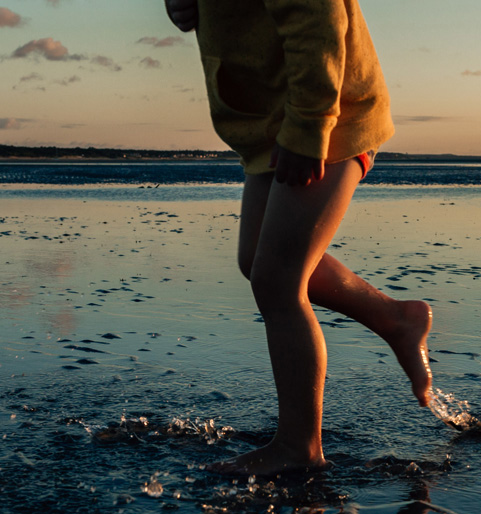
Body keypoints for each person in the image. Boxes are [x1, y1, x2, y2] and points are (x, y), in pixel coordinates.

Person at [165, 0, 433, 477]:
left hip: (330, 116)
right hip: (275, 120)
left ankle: (299, 447)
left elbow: (320, 21)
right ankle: (395, 318)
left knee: (277, 281)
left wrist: (310, 127)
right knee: (257, 261)